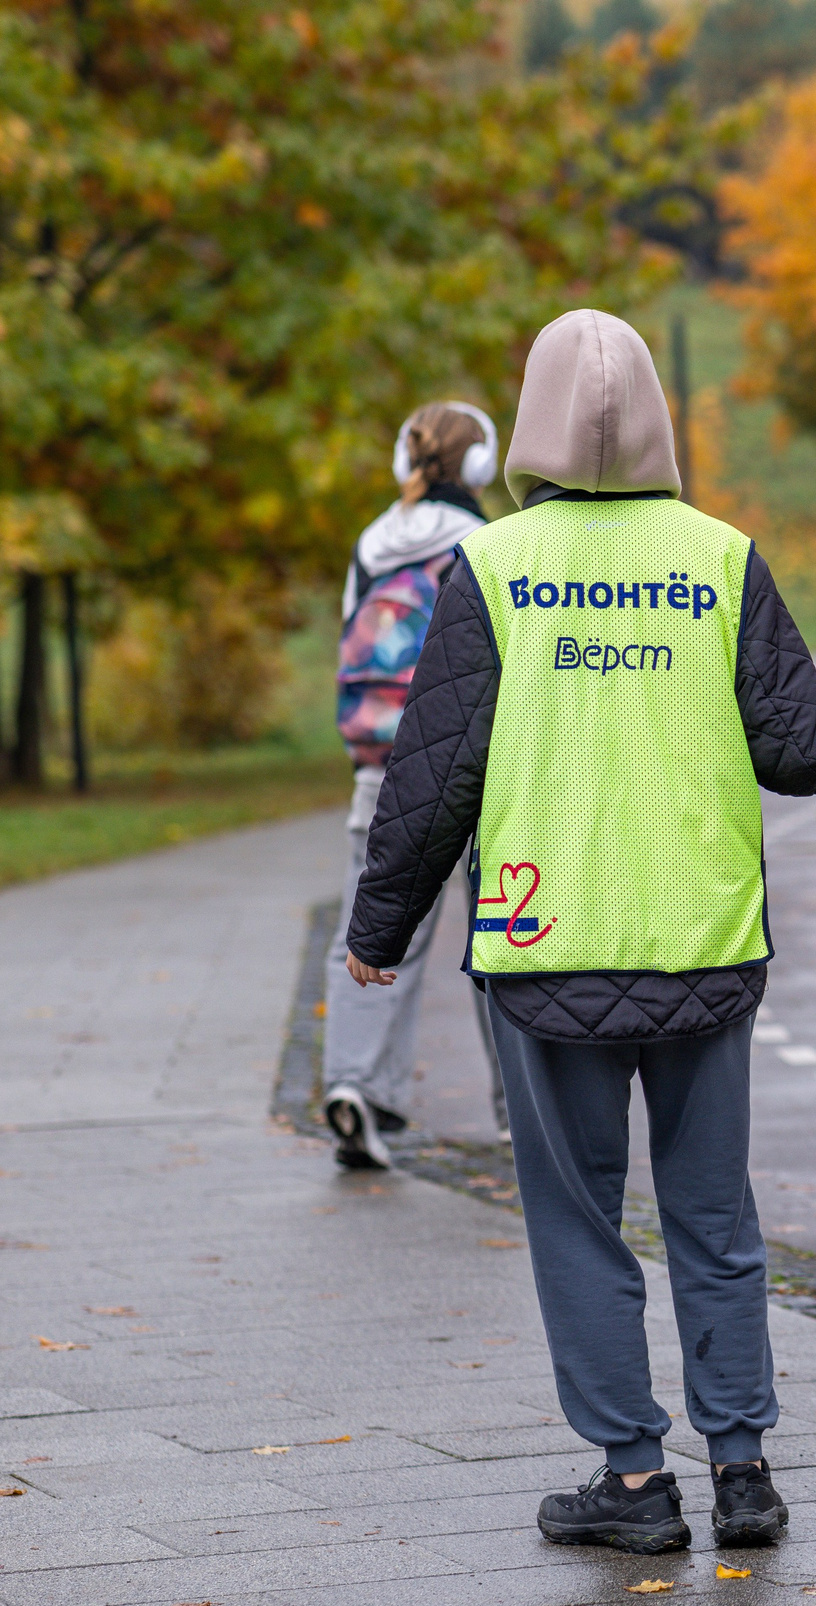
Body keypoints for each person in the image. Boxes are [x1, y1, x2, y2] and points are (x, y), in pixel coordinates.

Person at [342, 309, 816, 1555]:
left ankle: (635, 1483)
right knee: (714, 1216)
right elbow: (797, 750)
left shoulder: (494, 570)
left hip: (546, 946)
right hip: (702, 942)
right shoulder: (722, 559)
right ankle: (743, 1469)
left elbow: (434, 773)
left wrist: (379, 928)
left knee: (576, 1216)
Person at [323, 401, 508, 1168]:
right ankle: (520, 1108)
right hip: (479, 768)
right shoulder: (491, 544)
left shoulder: (370, 543)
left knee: (367, 929)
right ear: (481, 467)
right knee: (505, 932)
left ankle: (354, 1084)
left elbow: (346, 636)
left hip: (380, 770)